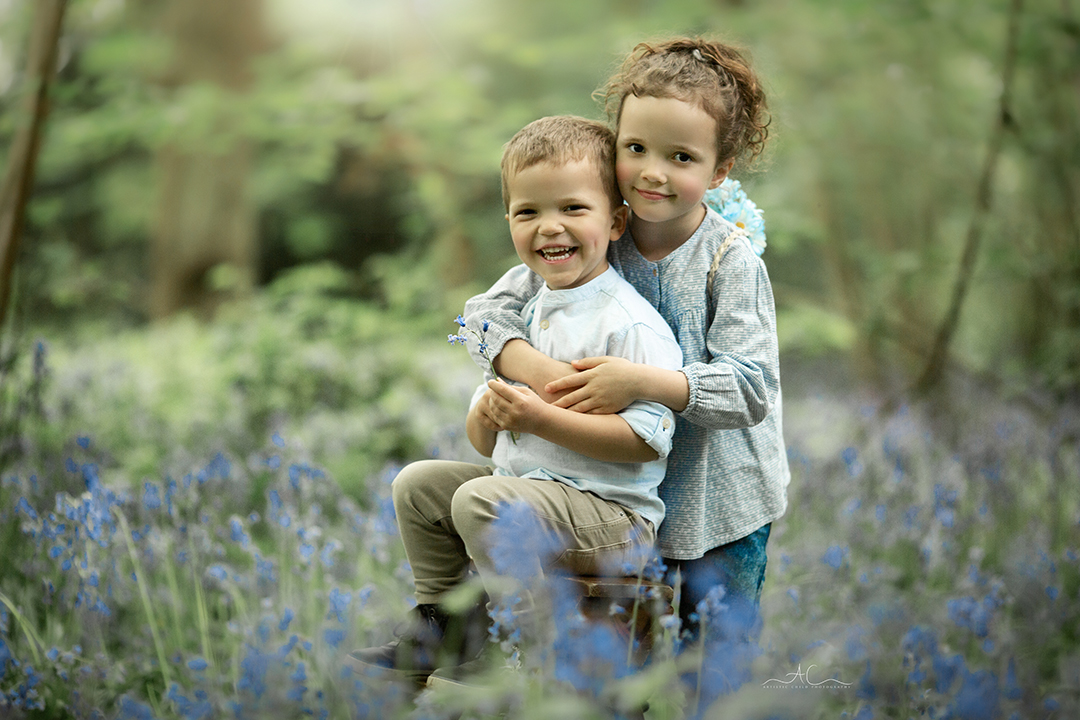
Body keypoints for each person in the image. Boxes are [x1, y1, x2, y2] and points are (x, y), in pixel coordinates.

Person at [461, 37, 790, 651]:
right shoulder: (595, 229)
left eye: (682, 157)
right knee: (623, 656)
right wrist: (533, 366)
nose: (652, 172)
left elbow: (750, 387)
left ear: (719, 171)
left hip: (717, 497)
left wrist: (643, 384)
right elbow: (482, 316)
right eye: (635, 148)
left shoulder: (727, 260)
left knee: (711, 659)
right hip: (613, 494)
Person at [347, 115, 683, 686]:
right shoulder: (526, 312)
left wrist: (540, 418)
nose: (550, 228)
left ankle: (535, 647)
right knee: (419, 485)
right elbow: (488, 442)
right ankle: (443, 629)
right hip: (538, 493)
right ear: (509, 222)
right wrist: (487, 415)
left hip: (611, 515)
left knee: (481, 500)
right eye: (529, 212)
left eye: (573, 209)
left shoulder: (628, 324)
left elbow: (643, 446)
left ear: (616, 220)